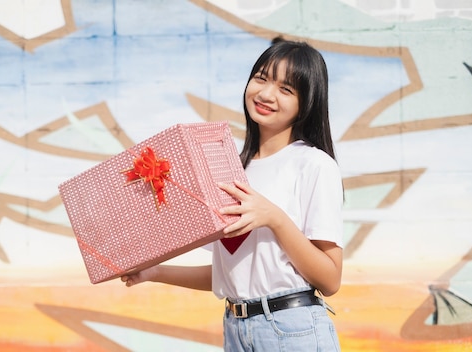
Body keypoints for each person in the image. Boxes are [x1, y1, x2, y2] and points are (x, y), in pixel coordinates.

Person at [121, 37, 344, 351]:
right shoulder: (234, 170)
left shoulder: (314, 165)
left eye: (286, 89)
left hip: (292, 330)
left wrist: (275, 219)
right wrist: (154, 272)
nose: (266, 93)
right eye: (261, 78)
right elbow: (233, 273)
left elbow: (330, 279)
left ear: (306, 103)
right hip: (237, 327)